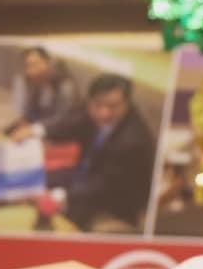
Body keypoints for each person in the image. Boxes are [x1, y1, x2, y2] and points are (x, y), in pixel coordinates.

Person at [43, 73, 157, 232]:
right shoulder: (92, 112)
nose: (104, 113)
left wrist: (62, 195)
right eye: (98, 105)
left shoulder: (132, 142)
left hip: (113, 201)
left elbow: (104, 185)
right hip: (85, 174)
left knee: (52, 221)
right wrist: (38, 131)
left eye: (114, 106)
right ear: (89, 102)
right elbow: (70, 123)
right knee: (37, 179)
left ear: (127, 104)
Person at [6, 45, 76, 137]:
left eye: (35, 65)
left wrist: (32, 129)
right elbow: (32, 110)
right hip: (37, 126)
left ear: (47, 63)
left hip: (57, 133)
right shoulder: (36, 81)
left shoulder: (65, 86)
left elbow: (62, 120)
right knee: (5, 134)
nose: (30, 71)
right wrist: (25, 120)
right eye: (27, 66)